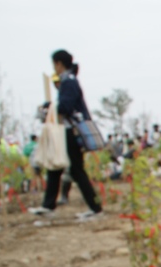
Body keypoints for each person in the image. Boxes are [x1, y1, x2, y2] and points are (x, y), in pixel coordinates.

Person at [29, 50, 102, 218]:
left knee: (76, 170)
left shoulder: (68, 82)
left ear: (59, 63)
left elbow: (66, 107)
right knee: (55, 167)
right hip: (65, 131)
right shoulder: (68, 81)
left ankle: (95, 207)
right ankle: (48, 206)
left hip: (69, 132)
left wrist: (50, 107)